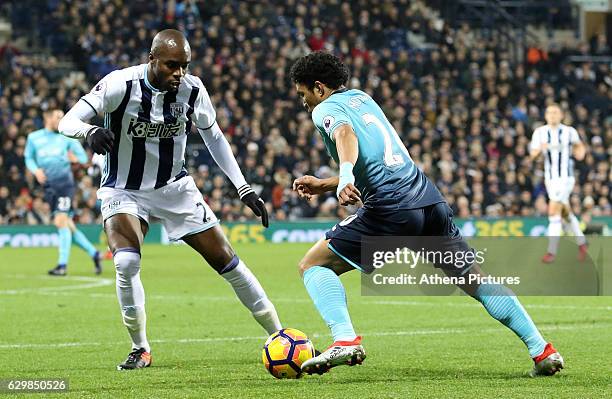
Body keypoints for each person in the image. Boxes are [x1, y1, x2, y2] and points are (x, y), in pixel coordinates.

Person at [289, 52, 563, 377]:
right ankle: (542, 350)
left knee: (313, 264)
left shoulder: (325, 109)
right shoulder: (362, 99)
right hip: (427, 199)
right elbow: (382, 157)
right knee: (476, 280)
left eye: (303, 94)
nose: (304, 103)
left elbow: (345, 135)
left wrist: (345, 176)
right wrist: (328, 183)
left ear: (319, 88)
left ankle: (345, 339)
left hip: (392, 208)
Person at [58, 29, 282, 370]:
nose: (179, 73)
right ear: (152, 60)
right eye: (172, 65)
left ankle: (278, 335)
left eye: (185, 66)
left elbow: (214, 136)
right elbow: (67, 120)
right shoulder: (121, 84)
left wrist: (243, 187)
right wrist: (88, 131)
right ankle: (140, 347)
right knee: (126, 263)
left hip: (174, 189)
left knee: (228, 262)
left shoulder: (193, 90)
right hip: (124, 188)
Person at [25, 108, 102, 276]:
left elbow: (82, 158)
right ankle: (94, 254)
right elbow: (28, 158)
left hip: (64, 185)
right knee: (68, 226)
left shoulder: (66, 136)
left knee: (60, 222)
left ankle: (62, 265)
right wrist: (36, 171)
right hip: (48, 186)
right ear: (47, 117)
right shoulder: (34, 138)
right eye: (58, 116)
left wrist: (74, 159)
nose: (61, 120)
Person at [529, 104, 587, 263]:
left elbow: (579, 146)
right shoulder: (540, 133)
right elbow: (532, 155)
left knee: (553, 211)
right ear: (545, 115)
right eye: (549, 112)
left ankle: (551, 252)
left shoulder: (569, 131)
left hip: (565, 178)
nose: (552, 115)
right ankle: (582, 243)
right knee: (566, 213)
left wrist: (581, 153)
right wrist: (540, 150)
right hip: (550, 179)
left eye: (555, 112)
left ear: (561, 115)